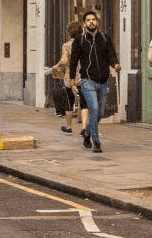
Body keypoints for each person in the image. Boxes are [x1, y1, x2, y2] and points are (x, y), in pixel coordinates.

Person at [69, 11, 119, 154]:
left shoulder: (105, 38)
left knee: (99, 114)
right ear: (84, 23)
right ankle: (96, 142)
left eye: (93, 19)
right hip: (87, 81)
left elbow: (111, 56)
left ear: (97, 22)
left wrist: (115, 65)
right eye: (88, 20)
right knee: (94, 109)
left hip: (103, 81)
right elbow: (73, 62)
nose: (91, 22)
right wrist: (72, 82)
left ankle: (87, 133)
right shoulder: (80, 40)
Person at [49, 20, 82, 134]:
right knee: (83, 101)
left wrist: (55, 66)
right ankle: (83, 125)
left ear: (69, 32)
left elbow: (64, 60)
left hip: (70, 78)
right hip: (83, 76)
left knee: (69, 102)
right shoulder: (85, 43)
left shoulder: (67, 45)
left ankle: (68, 127)